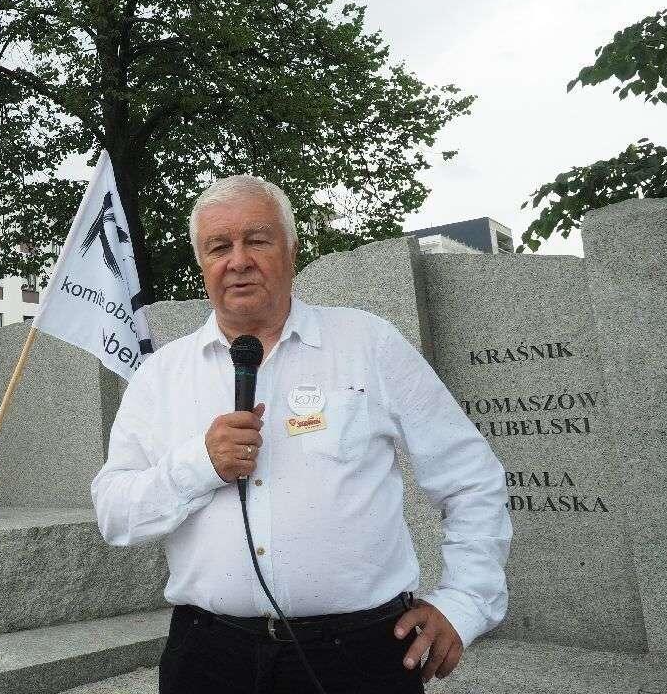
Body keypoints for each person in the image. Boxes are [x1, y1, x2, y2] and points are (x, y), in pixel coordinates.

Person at [91, 176, 511, 694]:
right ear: (202, 264)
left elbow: (470, 478)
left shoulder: (367, 343)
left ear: (291, 251)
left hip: (358, 656)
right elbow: (114, 513)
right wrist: (200, 465)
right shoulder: (160, 375)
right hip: (209, 657)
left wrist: (465, 600)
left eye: (257, 240)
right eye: (219, 247)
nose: (238, 261)